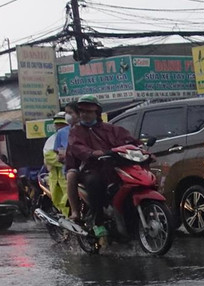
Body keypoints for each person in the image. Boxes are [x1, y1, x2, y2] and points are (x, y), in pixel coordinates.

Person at [65, 95, 137, 231]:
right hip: (89, 168)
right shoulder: (76, 131)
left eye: (89, 111)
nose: (85, 114)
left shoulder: (111, 128)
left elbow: (128, 140)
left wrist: (139, 148)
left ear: (96, 113)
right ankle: (98, 220)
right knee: (94, 182)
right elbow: (77, 147)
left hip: (113, 167)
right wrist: (91, 153)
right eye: (82, 111)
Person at [41, 104, 76, 215]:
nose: (58, 126)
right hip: (55, 177)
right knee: (58, 201)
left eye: (61, 124)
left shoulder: (74, 132)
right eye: (57, 124)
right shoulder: (53, 138)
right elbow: (49, 156)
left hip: (66, 174)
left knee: (66, 200)